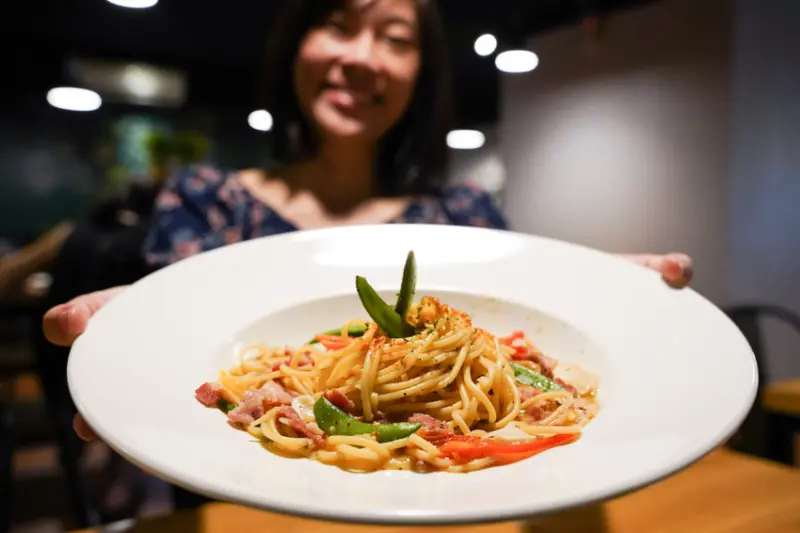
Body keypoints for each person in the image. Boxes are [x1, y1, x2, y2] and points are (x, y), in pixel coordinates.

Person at [42, 0, 693, 508]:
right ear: (294, 42)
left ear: (423, 73)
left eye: (395, 38)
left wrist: (608, 300)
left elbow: (544, 315)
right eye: (337, 25)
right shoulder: (209, 202)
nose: (362, 57)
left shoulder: (462, 213)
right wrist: (141, 345)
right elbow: (178, 350)